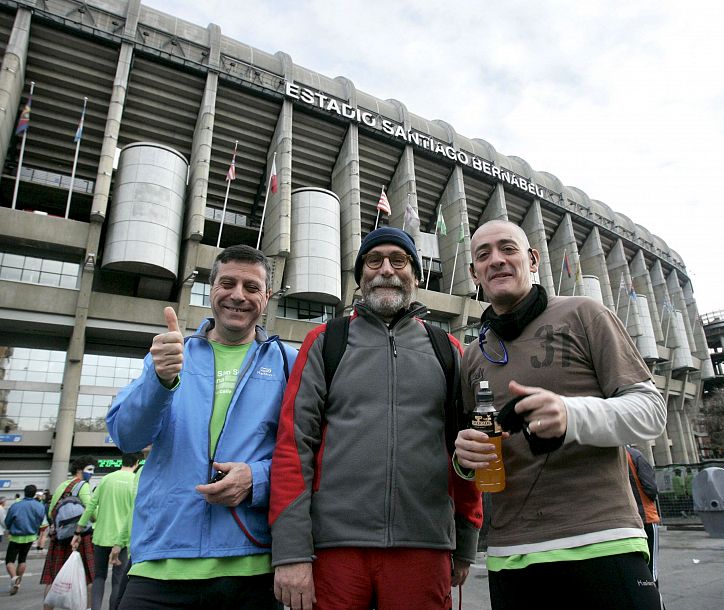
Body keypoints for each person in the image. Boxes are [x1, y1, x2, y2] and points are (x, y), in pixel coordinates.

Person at [453, 220, 667, 610]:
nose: (496, 260)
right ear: (474, 274)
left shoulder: (585, 314)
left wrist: (571, 415)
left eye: (508, 249)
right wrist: (464, 459)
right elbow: (475, 448)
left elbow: (651, 412)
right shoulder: (472, 356)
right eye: (483, 255)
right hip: (510, 555)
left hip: (604, 541)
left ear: (533, 260)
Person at [270, 227, 482, 610]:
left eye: (398, 260)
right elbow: (292, 446)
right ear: (361, 276)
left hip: (424, 545)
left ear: (415, 274)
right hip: (335, 549)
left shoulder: (448, 350)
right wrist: (291, 551)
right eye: (374, 260)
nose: (386, 269)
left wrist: (466, 539)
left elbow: (465, 449)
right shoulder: (325, 342)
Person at [106, 244, 297, 610]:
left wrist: (256, 479)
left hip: (252, 568)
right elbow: (127, 437)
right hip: (161, 564)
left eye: (251, 287)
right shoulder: (170, 355)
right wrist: (159, 380)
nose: (238, 295)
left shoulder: (289, 363)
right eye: (228, 283)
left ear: (267, 297)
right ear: (212, 289)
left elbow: (308, 455)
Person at [71, 452, 141, 610]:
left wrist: (78, 531)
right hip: (123, 540)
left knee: (99, 577)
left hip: (101, 536)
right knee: (118, 580)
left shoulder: (106, 479)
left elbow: (90, 506)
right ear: (137, 463)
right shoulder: (136, 481)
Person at [42, 455, 97, 610]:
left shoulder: (62, 486)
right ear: (79, 470)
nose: (92, 473)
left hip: (59, 537)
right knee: (88, 577)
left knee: (54, 577)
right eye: (90, 469)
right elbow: (91, 512)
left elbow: (51, 512)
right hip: (80, 538)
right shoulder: (83, 485)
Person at [626, 445, 662, 585]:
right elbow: (651, 488)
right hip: (645, 517)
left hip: (626, 522)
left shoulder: (610, 457)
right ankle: (653, 593)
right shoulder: (634, 455)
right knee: (651, 567)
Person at [4, 485, 46, 596]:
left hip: (16, 536)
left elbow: (8, 521)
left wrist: (9, 528)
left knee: (9, 561)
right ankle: (18, 582)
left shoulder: (16, 505)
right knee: (22, 559)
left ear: (24, 492)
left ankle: (14, 578)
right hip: (30, 536)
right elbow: (40, 520)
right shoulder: (39, 506)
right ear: (34, 493)